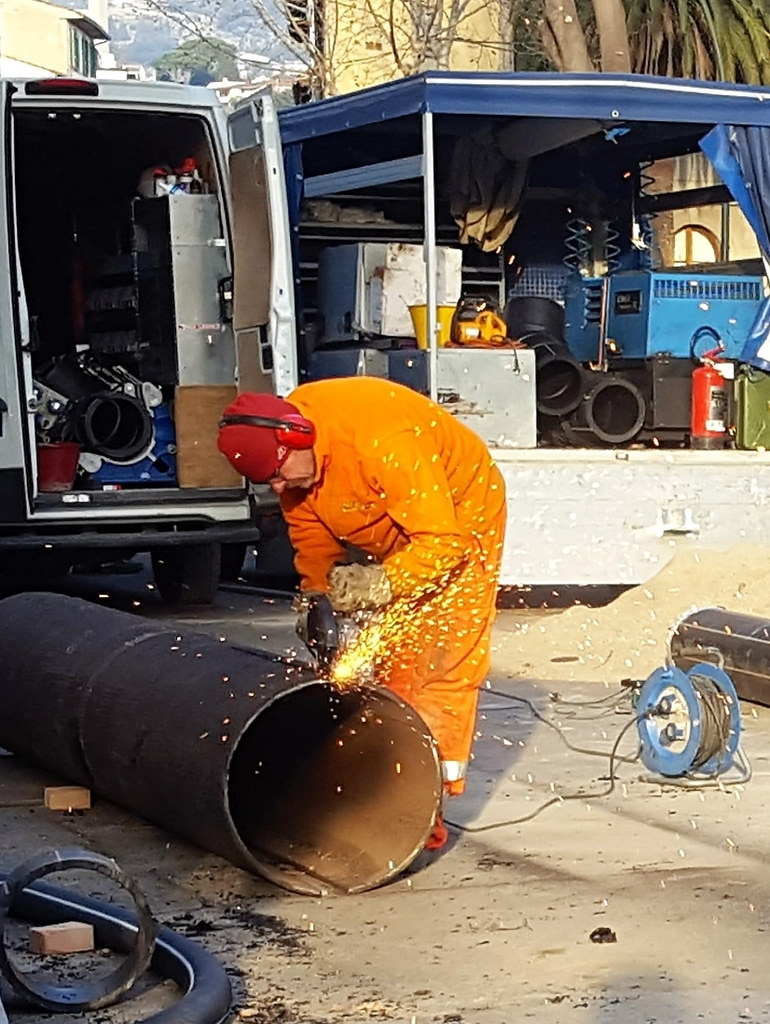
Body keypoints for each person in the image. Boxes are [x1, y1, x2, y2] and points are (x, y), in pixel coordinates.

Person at [217, 377, 506, 848]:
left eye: (278, 473)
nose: (277, 485)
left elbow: (442, 543)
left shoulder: (381, 440)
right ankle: (384, 777)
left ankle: (424, 810)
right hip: (390, 517)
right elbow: (311, 535)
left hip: (458, 519)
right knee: (394, 661)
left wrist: (384, 582)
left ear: (297, 436)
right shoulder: (292, 460)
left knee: (440, 662)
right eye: (267, 480)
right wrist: (316, 596)